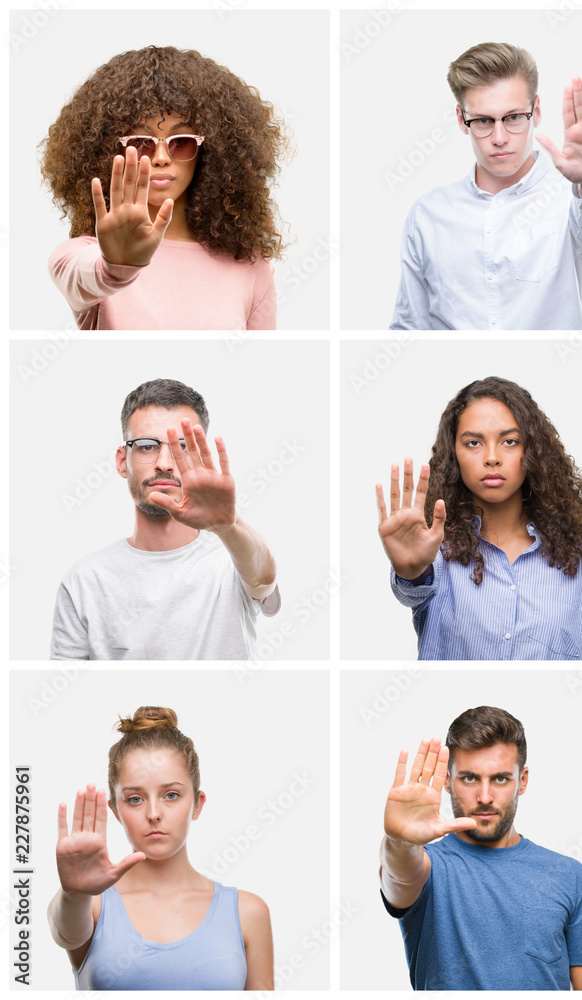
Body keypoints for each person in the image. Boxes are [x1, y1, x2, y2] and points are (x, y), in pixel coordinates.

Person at [41, 46, 287, 330]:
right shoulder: (81, 255)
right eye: (141, 142)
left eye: (180, 141)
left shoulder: (252, 268)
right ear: (108, 152)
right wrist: (116, 266)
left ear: (212, 152)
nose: (160, 158)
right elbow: (83, 275)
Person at [390, 42, 582, 330]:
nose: (499, 137)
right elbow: (408, 329)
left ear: (536, 111)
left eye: (514, 117)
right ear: (462, 120)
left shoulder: (570, 203)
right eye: (483, 121)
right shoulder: (427, 214)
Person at [375, 376, 582, 660]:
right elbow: (411, 590)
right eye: (473, 442)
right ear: (454, 454)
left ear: (533, 451)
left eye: (510, 441)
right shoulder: (435, 555)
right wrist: (411, 572)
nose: (491, 457)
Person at [380, 706, 582, 990]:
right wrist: (400, 841)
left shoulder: (569, 876)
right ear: (447, 782)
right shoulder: (428, 867)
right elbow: (399, 876)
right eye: (469, 778)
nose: (485, 796)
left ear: (522, 781)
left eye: (500, 779)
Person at [51, 378, 280, 660]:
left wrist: (227, 527)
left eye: (182, 445)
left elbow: (263, 578)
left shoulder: (231, 559)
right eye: (147, 446)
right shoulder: (85, 579)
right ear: (123, 461)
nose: (164, 462)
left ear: (200, 455)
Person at [48, 706, 273, 989]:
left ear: (197, 803)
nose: (153, 813)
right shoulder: (92, 904)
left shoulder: (247, 913)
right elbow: (64, 933)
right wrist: (73, 893)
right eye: (135, 799)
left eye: (171, 795)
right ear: (115, 810)